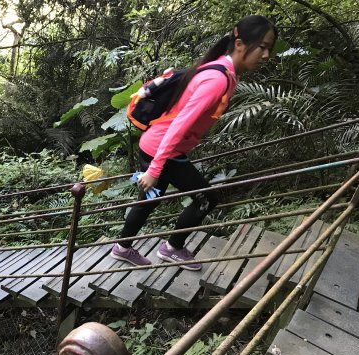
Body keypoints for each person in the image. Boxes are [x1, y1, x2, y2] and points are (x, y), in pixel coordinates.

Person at [111, 15, 277, 270]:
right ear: (241, 43)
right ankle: (172, 248)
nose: (266, 54)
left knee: (150, 198)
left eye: (269, 48)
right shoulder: (218, 78)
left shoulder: (224, 70)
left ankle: (122, 247)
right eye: (262, 46)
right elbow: (180, 125)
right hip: (163, 149)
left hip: (153, 144)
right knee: (207, 199)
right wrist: (156, 169)